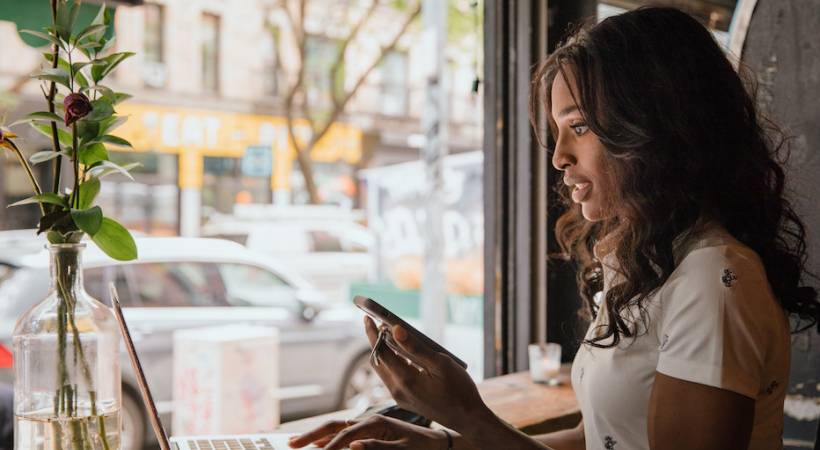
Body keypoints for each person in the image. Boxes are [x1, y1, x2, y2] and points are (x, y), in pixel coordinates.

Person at [288, 6, 820, 450]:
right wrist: (443, 442)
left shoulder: (713, 279)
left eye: (580, 126)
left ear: (657, 126)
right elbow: (597, 438)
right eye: (559, 130)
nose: (559, 156)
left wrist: (469, 415)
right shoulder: (647, 264)